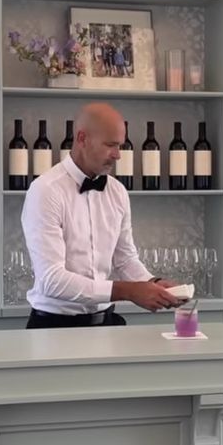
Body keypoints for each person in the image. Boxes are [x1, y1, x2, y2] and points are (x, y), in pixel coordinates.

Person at [21, 101, 183, 328]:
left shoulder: (117, 191)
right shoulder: (46, 190)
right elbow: (51, 280)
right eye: (110, 145)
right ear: (82, 139)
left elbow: (125, 258)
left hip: (105, 323)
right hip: (53, 327)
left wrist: (152, 282)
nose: (118, 155)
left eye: (120, 146)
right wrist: (128, 291)